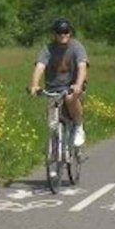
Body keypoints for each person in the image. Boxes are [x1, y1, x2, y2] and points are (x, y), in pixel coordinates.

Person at [28, 17, 89, 147]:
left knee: (69, 98)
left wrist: (78, 84)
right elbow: (40, 66)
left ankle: (79, 126)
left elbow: (82, 66)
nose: (63, 35)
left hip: (72, 87)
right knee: (52, 125)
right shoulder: (48, 49)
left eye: (66, 31)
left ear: (70, 33)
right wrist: (34, 85)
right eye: (59, 32)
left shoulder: (76, 47)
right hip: (53, 89)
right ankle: (54, 154)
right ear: (54, 34)